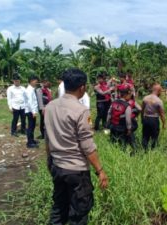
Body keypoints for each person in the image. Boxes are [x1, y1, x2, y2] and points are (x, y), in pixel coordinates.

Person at [45, 68, 108, 225]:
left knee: (59, 209)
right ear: (82, 87)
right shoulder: (81, 111)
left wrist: (49, 160)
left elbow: (47, 137)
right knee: (79, 212)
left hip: (57, 166)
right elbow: (87, 145)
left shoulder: (50, 107)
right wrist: (100, 170)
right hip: (76, 171)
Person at [141, 83, 166, 150]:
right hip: (154, 120)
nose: (161, 92)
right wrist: (164, 123)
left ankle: (144, 151)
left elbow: (142, 110)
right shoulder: (159, 101)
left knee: (145, 136)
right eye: (160, 90)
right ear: (158, 90)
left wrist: (142, 119)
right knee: (154, 137)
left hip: (146, 119)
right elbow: (162, 114)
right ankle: (153, 151)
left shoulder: (145, 98)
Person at [25, 76, 39, 148]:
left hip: (32, 111)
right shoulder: (29, 90)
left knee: (33, 126)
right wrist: (33, 112)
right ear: (31, 81)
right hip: (30, 111)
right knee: (30, 127)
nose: (36, 82)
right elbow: (30, 102)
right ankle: (29, 143)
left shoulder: (32, 89)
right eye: (35, 81)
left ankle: (32, 140)